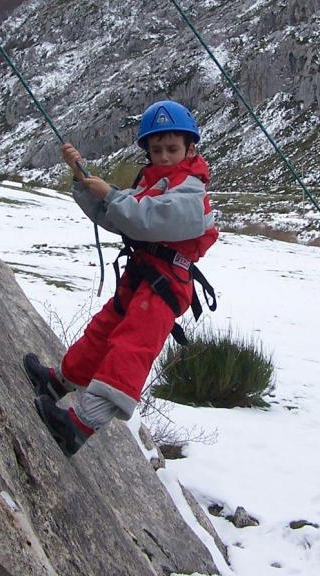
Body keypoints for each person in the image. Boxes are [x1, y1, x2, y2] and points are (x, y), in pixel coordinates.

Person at [24, 100, 217, 456]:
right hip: (142, 280)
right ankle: (55, 384)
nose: (163, 156)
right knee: (102, 333)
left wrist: (111, 195)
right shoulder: (154, 183)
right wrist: (83, 179)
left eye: (172, 149)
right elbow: (119, 215)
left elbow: (149, 218)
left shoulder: (192, 193)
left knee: (128, 351)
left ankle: (78, 427)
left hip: (164, 288)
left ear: (191, 148)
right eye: (156, 149)